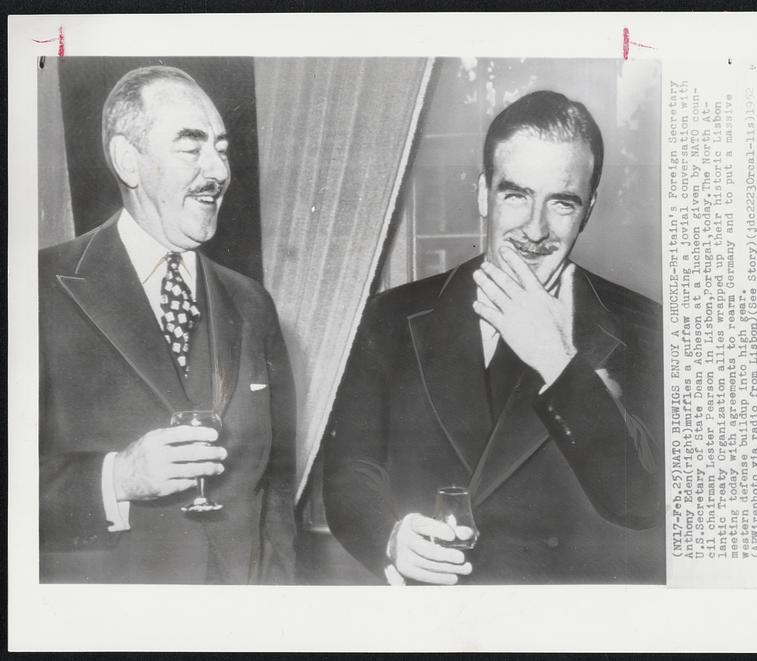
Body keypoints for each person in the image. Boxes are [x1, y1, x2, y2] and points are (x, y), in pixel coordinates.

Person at [323, 90, 664, 585]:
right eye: (516, 195)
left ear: (588, 207)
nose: (535, 228)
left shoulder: (643, 327)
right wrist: (389, 537)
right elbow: (351, 467)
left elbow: (642, 500)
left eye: (562, 203)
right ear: (483, 195)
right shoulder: (393, 316)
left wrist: (557, 358)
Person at [39, 65, 296, 584]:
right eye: (191, 145)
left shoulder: (253, 303)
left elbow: (275, 490)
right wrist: (118, 478)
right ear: (128, 161)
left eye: (221, 148)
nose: (219, 170)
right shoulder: (36, 288)